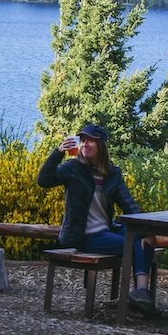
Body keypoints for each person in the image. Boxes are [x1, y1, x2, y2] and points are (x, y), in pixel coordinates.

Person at [36, 124, 157, 313]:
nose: (86, 144)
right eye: (83, 140)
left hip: (107, 231)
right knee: (134, 243)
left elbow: (129, 205)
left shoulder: (112, 173)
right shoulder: (73, 168)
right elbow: (43, 180)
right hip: (85, 236)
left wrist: (146, 231)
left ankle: (141, 294)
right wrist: (58, 152)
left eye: (91, 140)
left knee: (146, 238)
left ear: (102, 145)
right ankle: (139, 296)